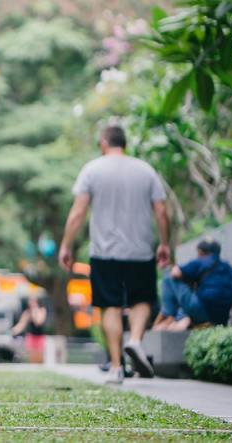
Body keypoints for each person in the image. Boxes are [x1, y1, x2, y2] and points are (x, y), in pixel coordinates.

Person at [58, 125, 170, 384]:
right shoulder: (145, 170)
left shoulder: (92, 169)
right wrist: (164, 244)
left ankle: (117, 366)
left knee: (109, 306)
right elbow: (162, 212)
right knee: (142, 300)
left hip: (104, 252)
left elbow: (77, 213)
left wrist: (67, 245)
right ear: (125, 143)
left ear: (104, 142)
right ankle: (135, 340)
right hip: (140, 250)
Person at [155, 238, 232, 331]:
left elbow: (175, 273)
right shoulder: (230, 270)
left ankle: (170, 315)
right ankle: (183, 319)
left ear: (201, 252)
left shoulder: (200, 261)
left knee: (169, 273)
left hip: (202, 310)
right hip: (221, 318)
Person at [10, 295, 48, 363]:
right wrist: (13, 331)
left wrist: (34, 311)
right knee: (32, 357)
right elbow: (21, 324)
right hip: (31, 336)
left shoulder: (42, 310)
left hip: (40, 337)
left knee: (40, 357)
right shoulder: (27, 312)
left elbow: (38, 322)